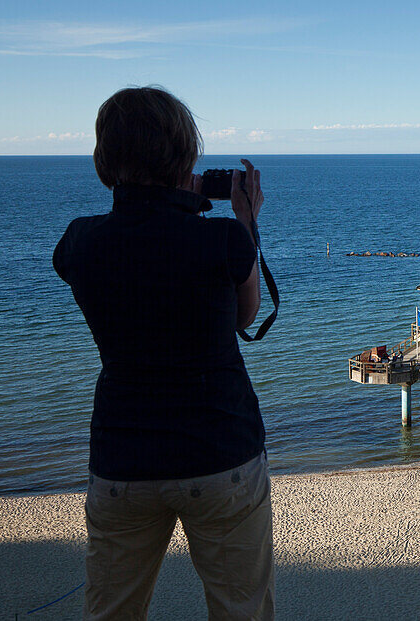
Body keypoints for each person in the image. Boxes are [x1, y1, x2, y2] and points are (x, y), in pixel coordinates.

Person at [54, 87, 273, 620]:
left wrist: (173, 198)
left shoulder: (79, 243)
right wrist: (244, 218)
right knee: (240, 609)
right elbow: (243, 318)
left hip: (122, 457)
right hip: (221, 452)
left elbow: (140, 254)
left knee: (111, 612)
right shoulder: (222, 240)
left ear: (105, 160)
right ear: (186, 155)